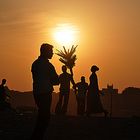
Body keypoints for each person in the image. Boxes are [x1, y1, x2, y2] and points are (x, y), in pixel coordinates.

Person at [31, 43, 59, 140]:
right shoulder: (48, 66)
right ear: (46, 52)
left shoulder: (35, 64)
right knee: (45, 118)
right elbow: (56, 81)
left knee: (42, 116)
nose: (52, 53)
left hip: (37, 93)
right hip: (45, 93)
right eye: (51, 51)